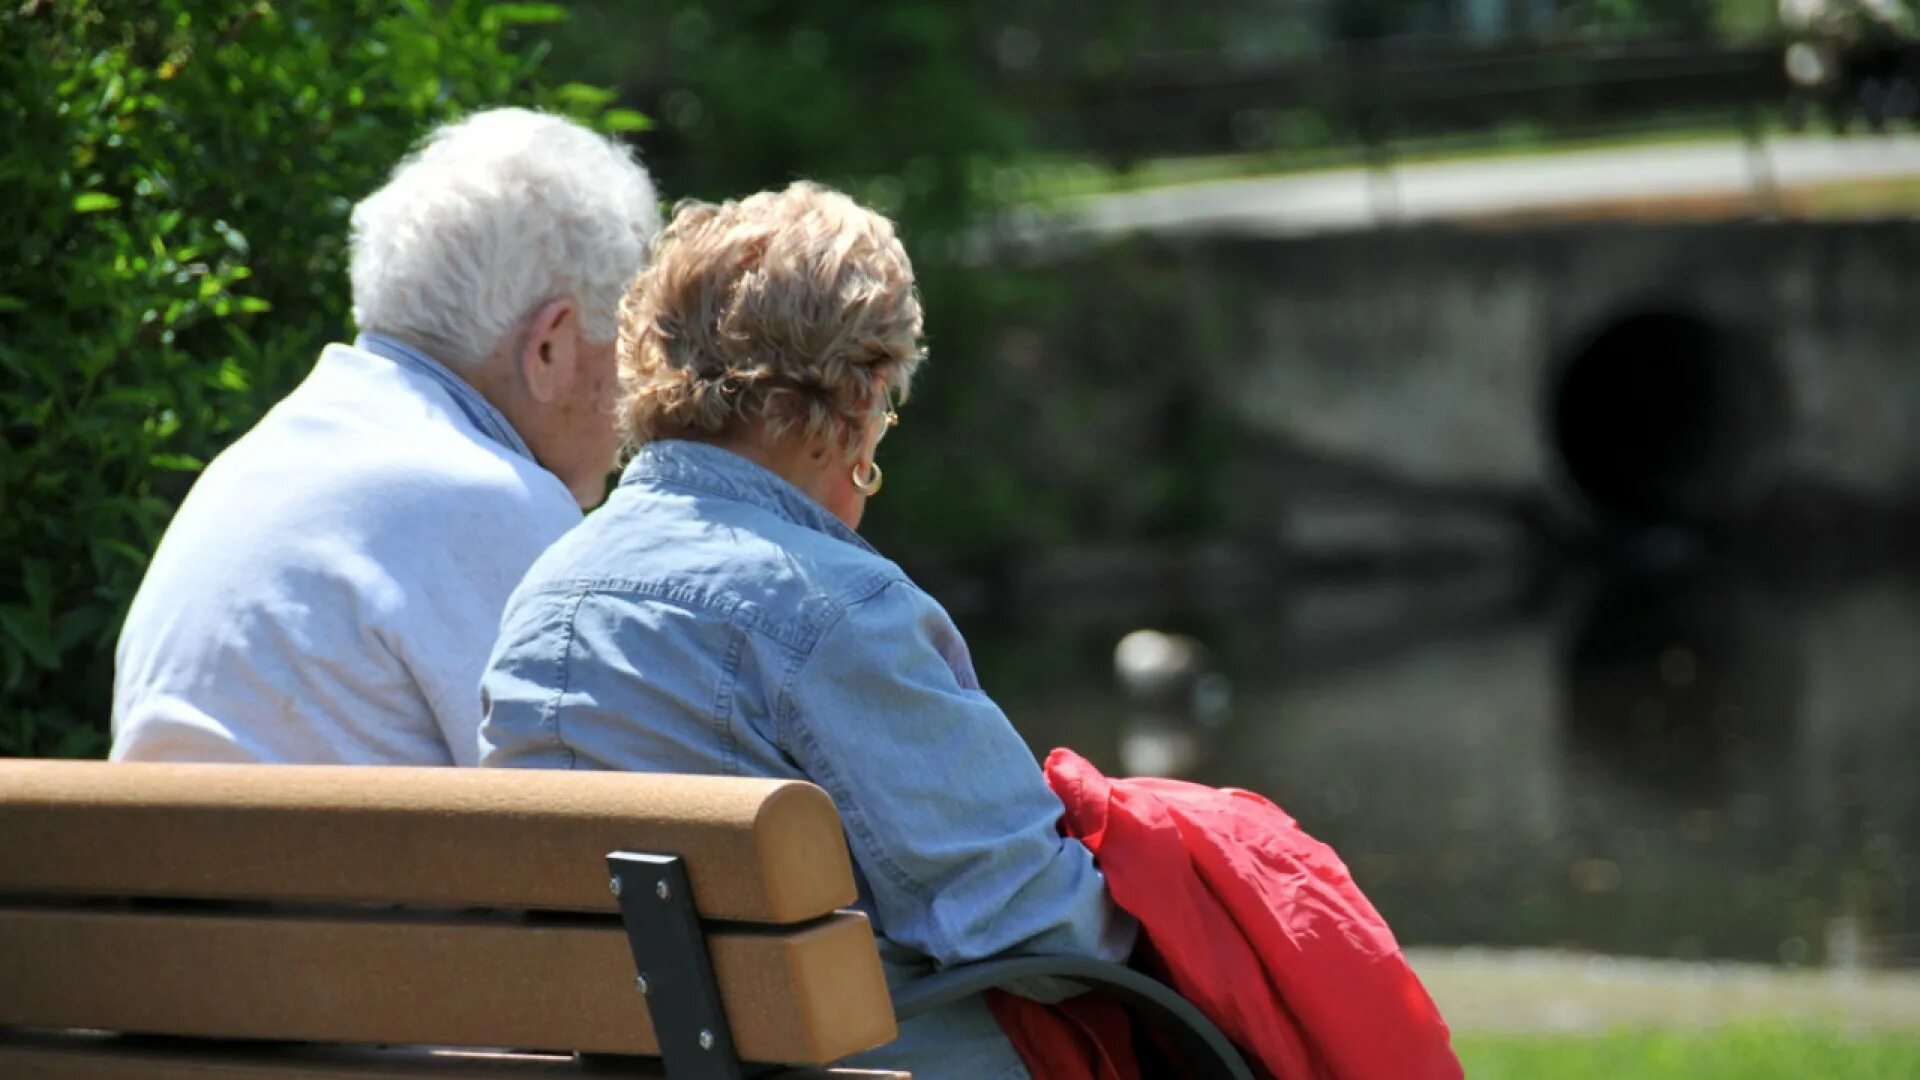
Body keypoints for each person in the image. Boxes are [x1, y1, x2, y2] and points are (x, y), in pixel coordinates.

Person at [478, 182, 1137, 1078]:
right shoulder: (832, 611)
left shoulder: (546, 592)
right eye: (886, 410)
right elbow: (1049, 936)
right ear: (860, 395)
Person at [112, 108, 660, 766]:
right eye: (632, 351)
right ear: (549, 347)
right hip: (332, 872)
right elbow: (608, 813)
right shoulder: (497, 501)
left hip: (154, 868)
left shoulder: (248, 466)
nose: (639, 393)